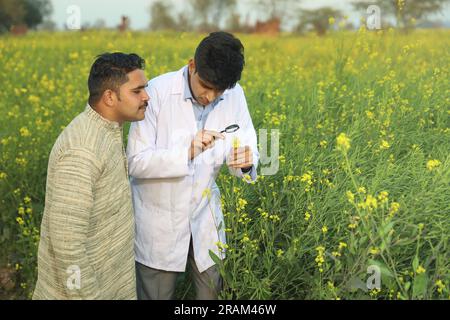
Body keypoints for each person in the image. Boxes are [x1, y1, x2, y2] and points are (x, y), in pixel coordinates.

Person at [127, 31, 259, 300]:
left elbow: (247, 144)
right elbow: (136, 162)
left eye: (219, 91)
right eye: (206, 86)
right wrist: (186, 151)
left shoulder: (235, 95)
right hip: (158, 224)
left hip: (206, 220)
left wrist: (246, 162)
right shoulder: (155, 93)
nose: (211, 97)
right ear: (192, 65)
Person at [33, 52, 150, 299]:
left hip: (108, 284)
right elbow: (66, 243)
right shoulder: (82, 149)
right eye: (137, 91)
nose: (146, 97)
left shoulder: (108, 130)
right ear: (109, 97)